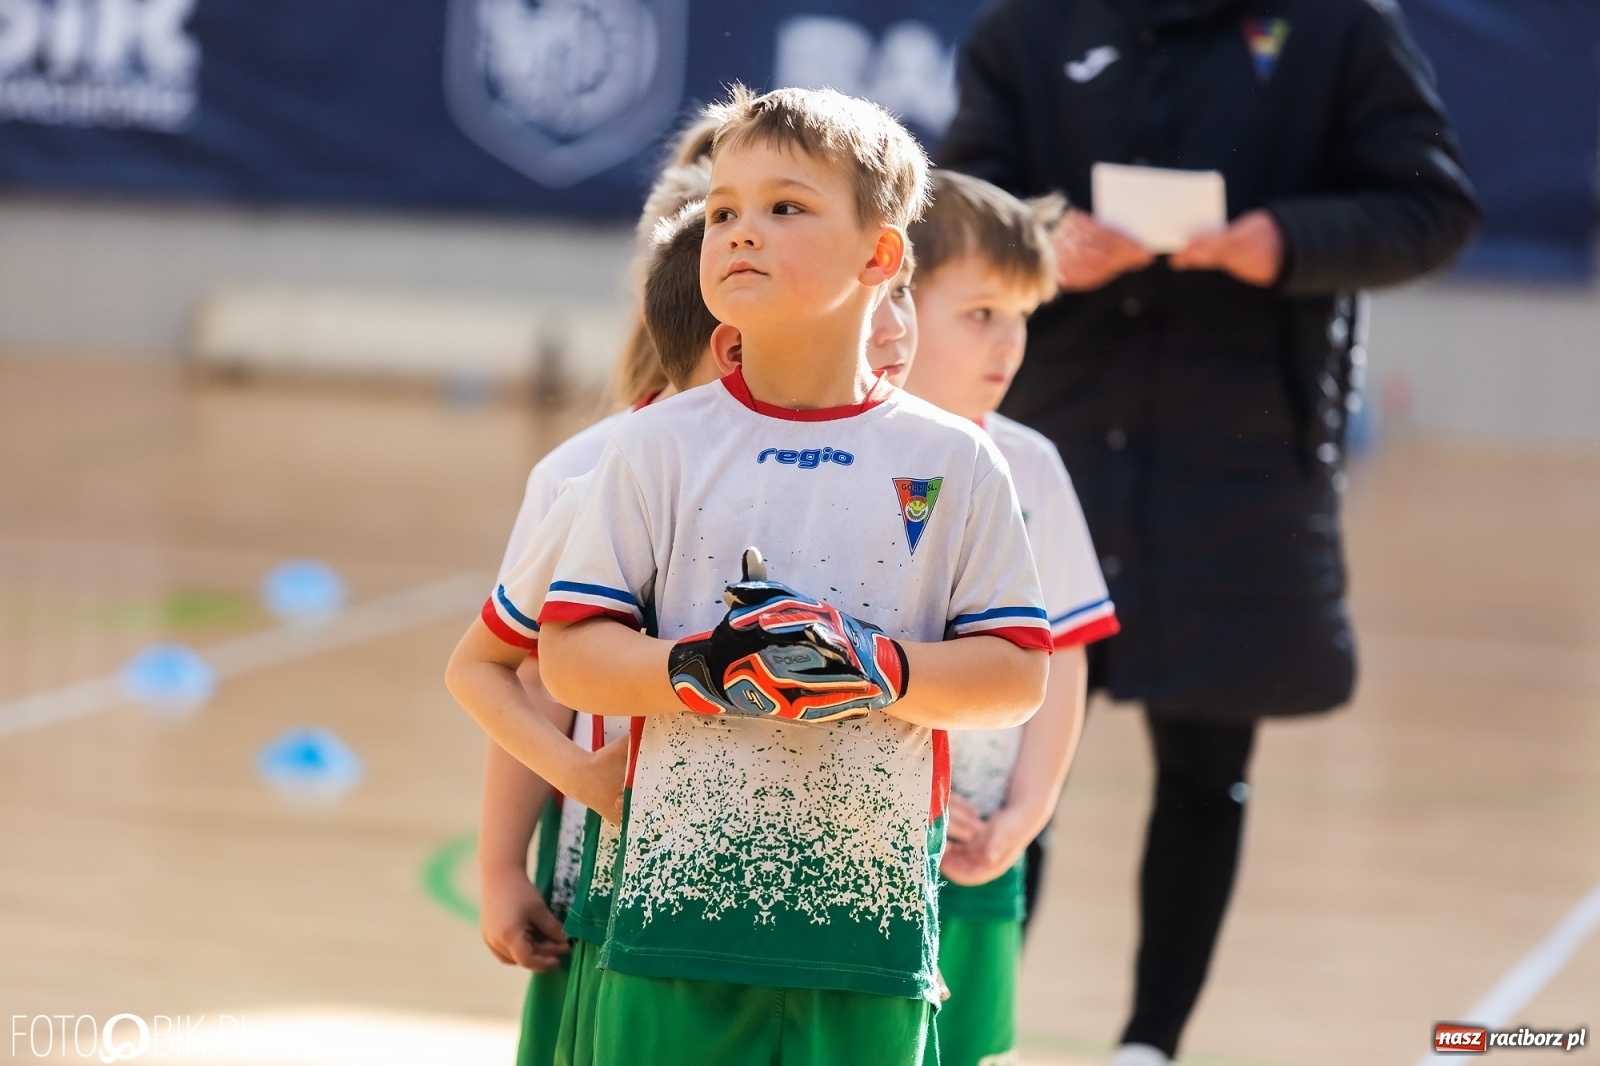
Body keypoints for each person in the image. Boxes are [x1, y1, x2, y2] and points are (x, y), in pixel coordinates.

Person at [935, 1, 1482, 1062]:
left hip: (1237, 465)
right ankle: (970, 1031)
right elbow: (956, 205)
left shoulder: (1336, 28)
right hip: (1060, 444)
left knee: (1206, 765)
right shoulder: (1031, 30)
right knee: (1003, 772)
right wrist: (1039, 239)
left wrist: (1288, 239)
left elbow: (1432, 204)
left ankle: (1150, 1042)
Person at [471, 85, 1052, 1066]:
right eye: (726, 210)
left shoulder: (956, 462)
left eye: (785, 207)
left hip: (867, 944)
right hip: (667, 931)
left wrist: (879, 668)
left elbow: (1016, 675)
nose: (742, 231)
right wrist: (704, 666)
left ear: (880, 257)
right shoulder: (652, 447)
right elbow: (568, 659)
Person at [902, 169, 1117, 1066]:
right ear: (891, 301)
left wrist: (1027, 815)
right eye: (981, 313)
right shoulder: (837, 452)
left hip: (977, 852)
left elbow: (1062, 658)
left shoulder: (1032, 468)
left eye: (1023, 316)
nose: (1010, 344)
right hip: (847, 845)